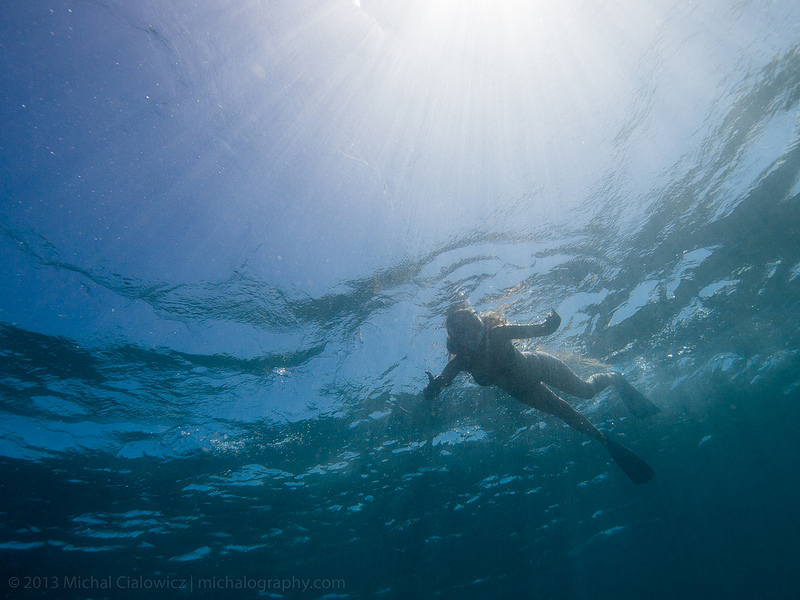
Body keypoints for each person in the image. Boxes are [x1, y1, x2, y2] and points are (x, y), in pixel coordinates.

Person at [423, 304, 660, 484]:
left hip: (542, 366)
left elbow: (542, 330)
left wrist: (551, 322)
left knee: (586, 391)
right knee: (566, 414)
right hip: (523, 391)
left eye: (473, 324)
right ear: (455, 339)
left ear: (478, 322)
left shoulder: (498, 334)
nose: (471, 333)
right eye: (462, 331)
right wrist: (433, 389)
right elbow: (441, 385)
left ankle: (615, 378)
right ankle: (605, 441)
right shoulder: (461, 363)